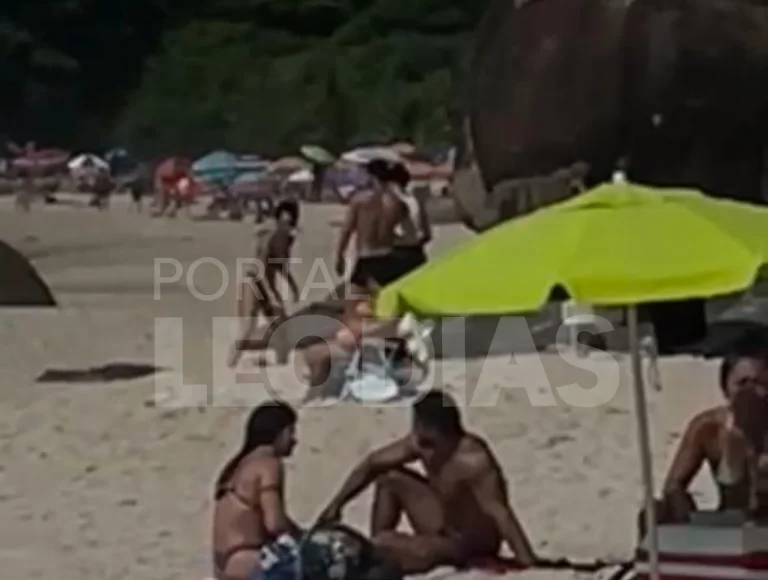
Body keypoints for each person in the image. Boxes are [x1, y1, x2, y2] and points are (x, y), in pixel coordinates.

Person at [316, 390, 538, 574]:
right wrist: (336, 505)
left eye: (428, 441)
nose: (422, 449)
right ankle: (378, 553)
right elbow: (373, 463)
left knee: (399, 547)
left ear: (447, 435)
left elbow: (501, 513)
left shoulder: (474, 463)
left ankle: (380, 555)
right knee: (389, 477)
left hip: (468, 542)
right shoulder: (422, 443)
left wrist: (529, 563)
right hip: (443, 518)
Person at [643, 355, 768, 532]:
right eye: (742, 383)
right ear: (725, 388)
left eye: (758, 383)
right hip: (730, 525)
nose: (750, 392)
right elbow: (674, 485)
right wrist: (684, 511)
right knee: (652, 511)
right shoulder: (709, 428)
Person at [212, 402, 301, 580]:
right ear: (279, 434)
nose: (294, 440)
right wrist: (302, 537)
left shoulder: (238, 466)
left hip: (225, 564)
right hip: (250, 562)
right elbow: (274, 523)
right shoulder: (268, 465)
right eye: (291, 432)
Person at [228, 200, 301, 368]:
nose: (285, 224)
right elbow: (261, 265)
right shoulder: (272, 235)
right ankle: (231, 364)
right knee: (248, 329)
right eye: (283, 220)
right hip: (255, 281)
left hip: (262, 282)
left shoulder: (285, 237)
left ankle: (281, 365)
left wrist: (292, 285)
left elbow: (279, 266)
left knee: (281, 325)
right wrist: (270, 293)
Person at [334, 159, 413, 295]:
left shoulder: (360, 200)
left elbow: (347, 230)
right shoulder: (398, 203)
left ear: (371, 176)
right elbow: (406, 233)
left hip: (367, 258)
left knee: (355, 306)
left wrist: (339, 256)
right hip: (389, 258)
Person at [390, 162, 431, 276]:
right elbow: (427, 234)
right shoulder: (415, 200)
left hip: (397, 250)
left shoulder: (389, 202)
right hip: (416, 251)